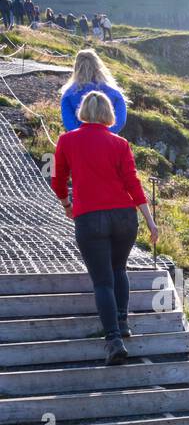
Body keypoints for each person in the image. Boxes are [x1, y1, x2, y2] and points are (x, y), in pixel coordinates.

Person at [51, 90, 159, 365]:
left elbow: (58, 179)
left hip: (90, 217)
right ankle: (122, 323)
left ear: (83, 112)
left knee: (102, 281)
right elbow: (133, 183)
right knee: (119, 269)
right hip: (124, 216)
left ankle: (113, 341)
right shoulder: (120, 143)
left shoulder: (67, 140)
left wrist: (66, 205)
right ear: (108, 114)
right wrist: (149, 220)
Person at [60, 49, 128, 135]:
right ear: (98, 65)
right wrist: (106, 136)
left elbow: (68, 122)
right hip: (108, 143)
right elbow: (120, 121)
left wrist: (82, 137)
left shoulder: (69, 93)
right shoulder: (114, 92)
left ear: (76, 67)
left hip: (78, 143)